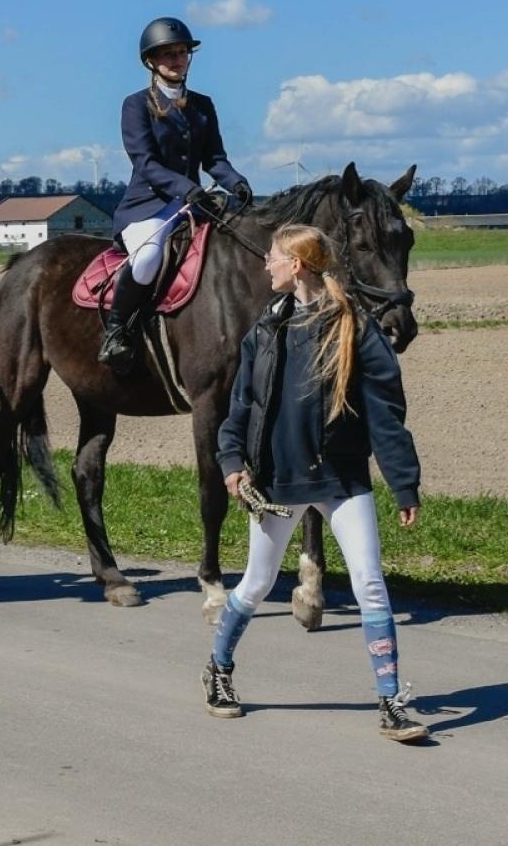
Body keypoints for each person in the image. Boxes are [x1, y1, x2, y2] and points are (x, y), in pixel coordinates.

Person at [205, 223, 428, 742]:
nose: (267, 264)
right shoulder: (265, 330)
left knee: (370, 583)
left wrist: (403, 481)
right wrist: (232, 460)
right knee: (257, 585)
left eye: (274, 257)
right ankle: (218, 670)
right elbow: (240, 406)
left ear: (297, 265)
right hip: (277, 483)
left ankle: (390, 702)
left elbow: (386, 412)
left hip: (342, 479)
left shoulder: (353, 327)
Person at [100, 16, 253, 374]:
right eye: (167, 54)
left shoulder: (203, 105)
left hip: (193, 206)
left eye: (181, 52)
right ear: (151, 61)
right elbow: (146, 162)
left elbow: (214, 158)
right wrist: (188, 189)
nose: (176, 59)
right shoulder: (135, 105)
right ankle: (116, 331)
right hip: (147, 208)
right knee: (149, 256)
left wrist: (237, 183)